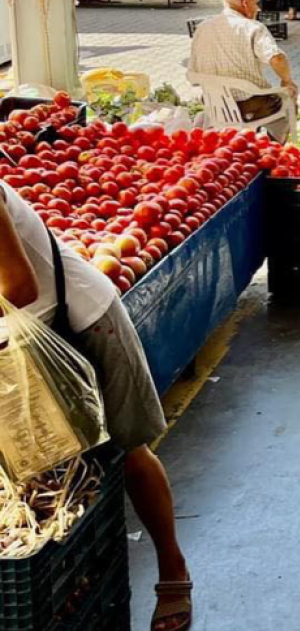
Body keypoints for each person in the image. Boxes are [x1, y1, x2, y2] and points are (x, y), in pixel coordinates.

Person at [0, 186, 193, 631]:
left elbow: (19, 287)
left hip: (80, 323)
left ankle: (172, 571)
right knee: (47, 476)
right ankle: (73, 587)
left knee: (127, 451)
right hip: (17, 343)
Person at [188, 0, 299, 141]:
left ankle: (251, 142)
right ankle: (274, 147)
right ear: (245, 2)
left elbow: (192, 74)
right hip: (250, 105)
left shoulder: (202, 28)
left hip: (215, 107)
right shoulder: (252, 27)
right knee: (289, 98)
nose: (258, 8)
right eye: (256, 1)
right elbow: (277, 58)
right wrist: (287, 81)